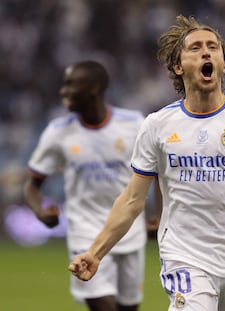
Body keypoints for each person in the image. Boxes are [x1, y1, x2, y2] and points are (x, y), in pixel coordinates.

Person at [69, 16, 225, 311]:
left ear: (223, 64)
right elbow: (132, 200)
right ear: (178, 66)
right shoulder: (158, 125)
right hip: (184, 255)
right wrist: (96, 253)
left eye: (213, 47)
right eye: (195, 48)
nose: (206, 52)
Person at [24, 60, 150, 311]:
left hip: (130, 233)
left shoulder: (134, 123)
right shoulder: (58, 132)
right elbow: (33, 184)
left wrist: (159, 213)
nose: (63, 91)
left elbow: (158, 170)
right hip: (85, 232)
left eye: (70, 84)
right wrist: (40, 211)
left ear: (93, 88)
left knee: (128, 307)